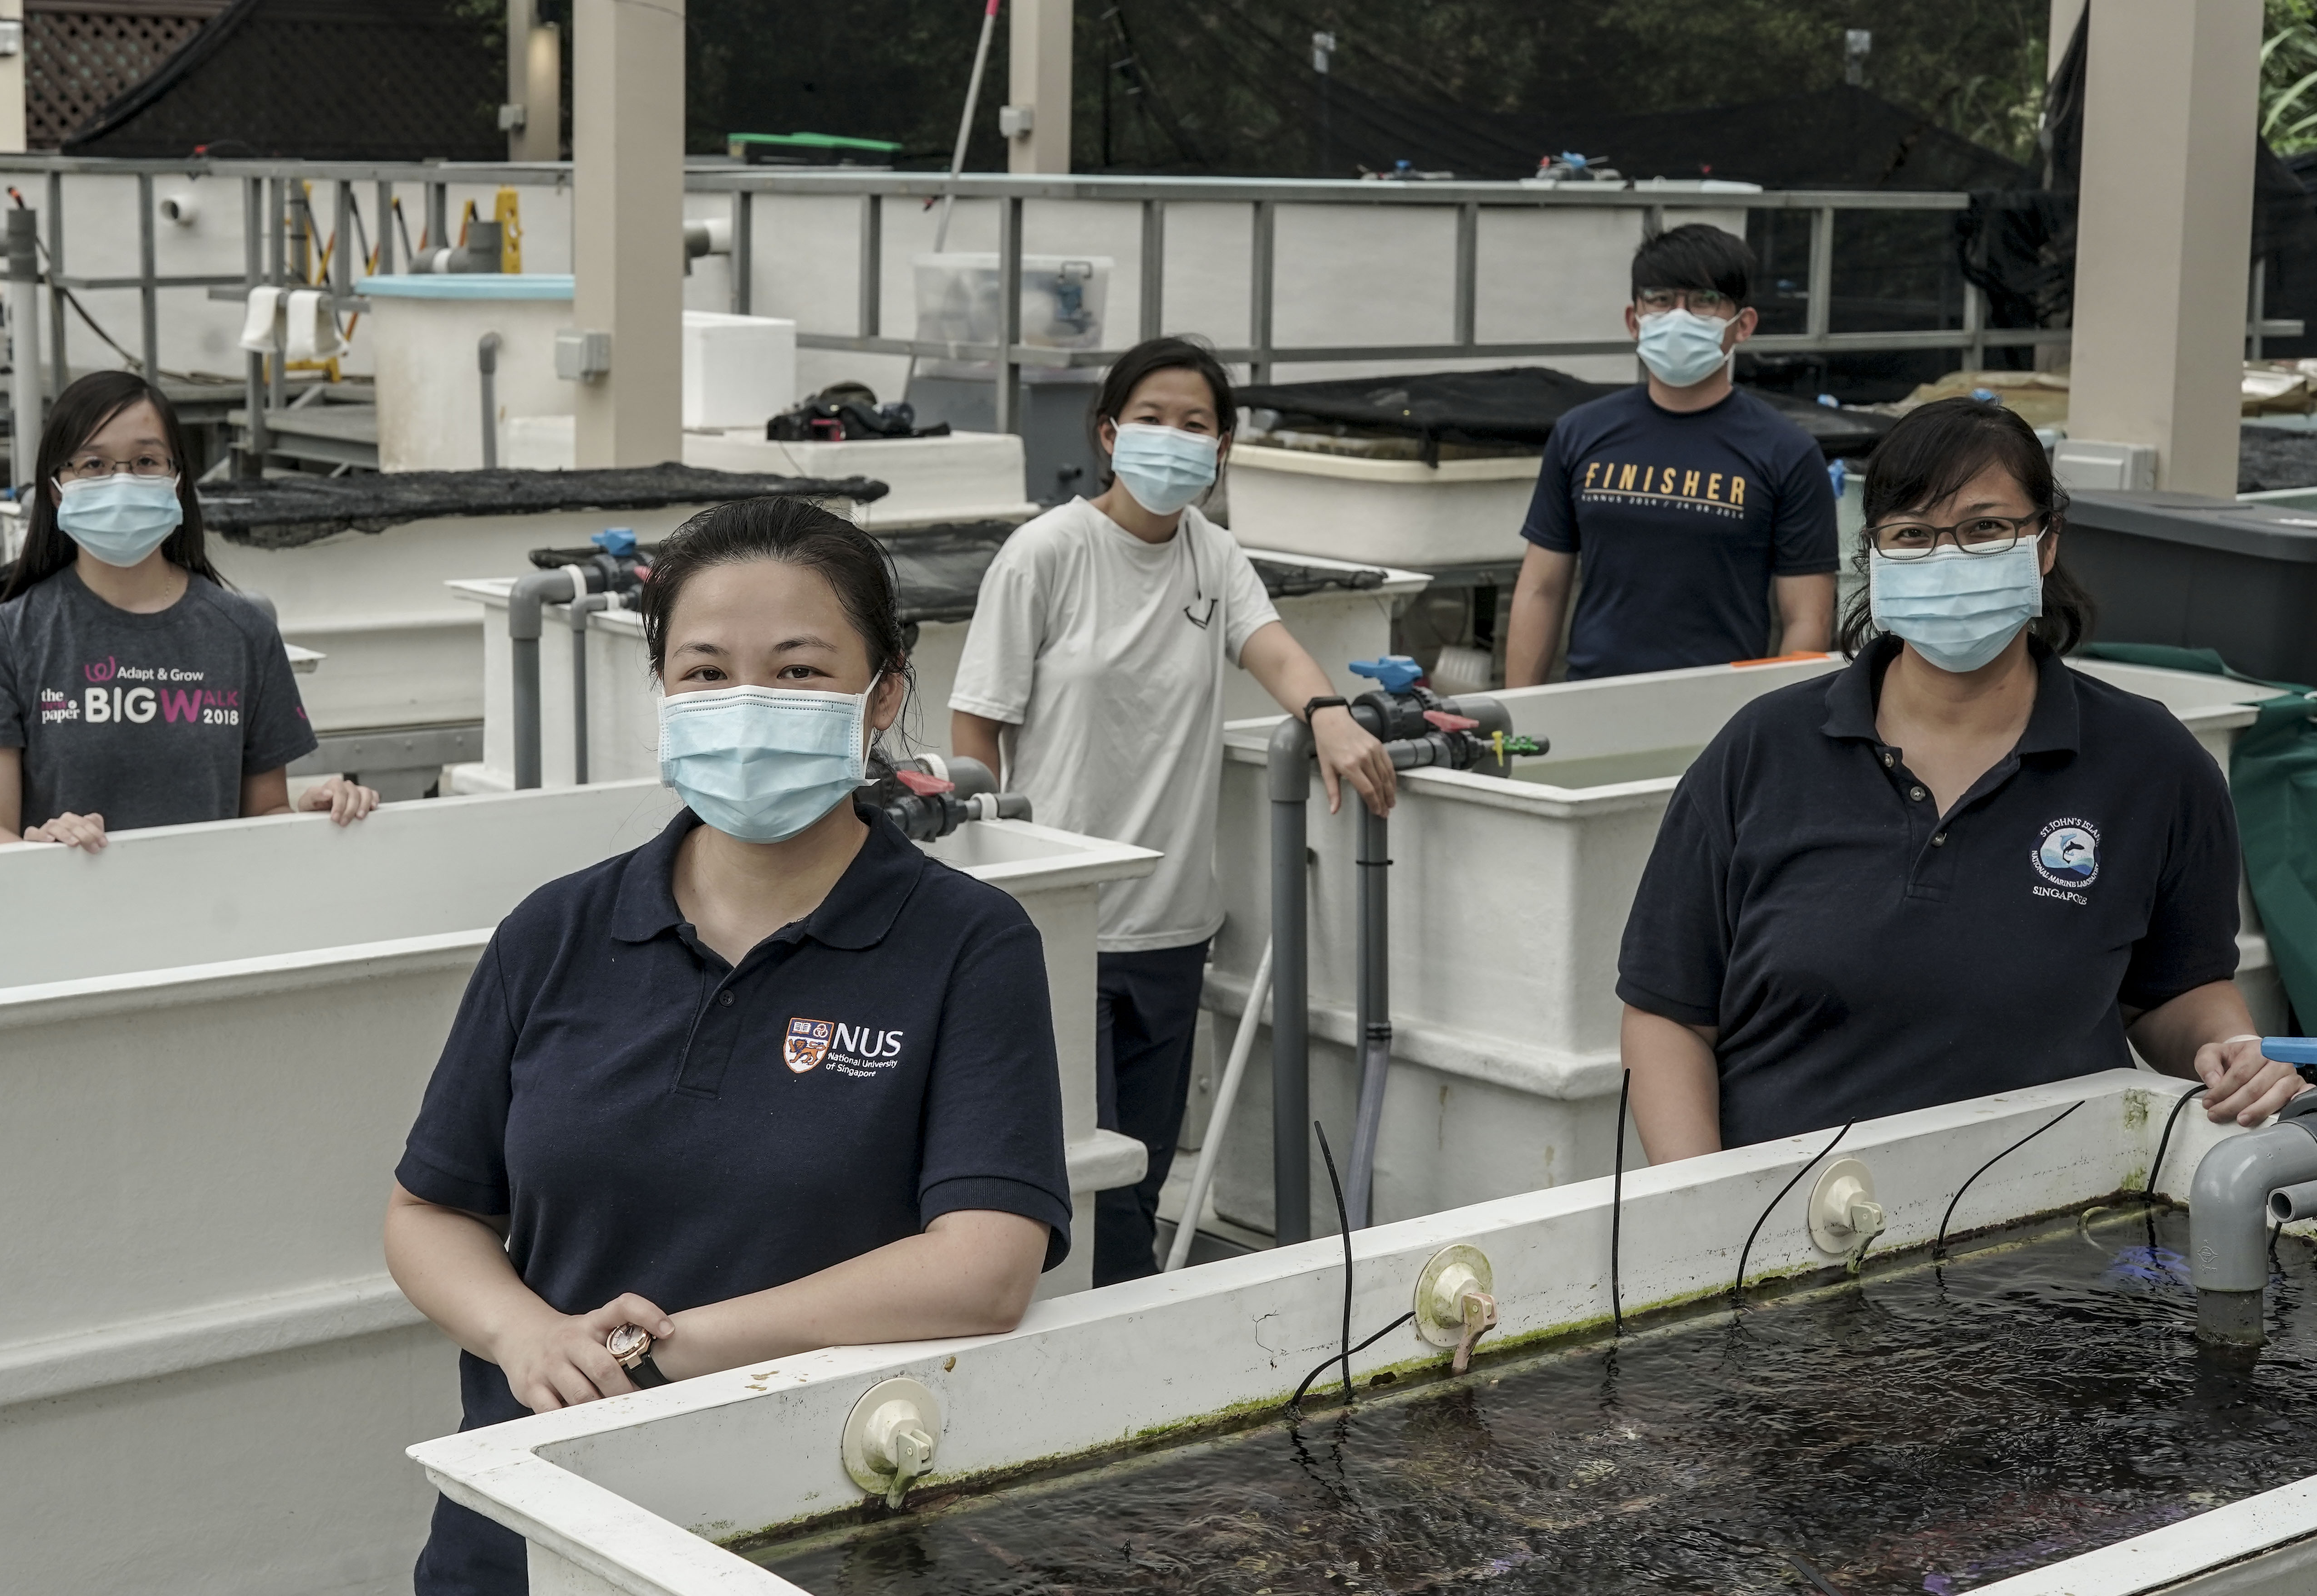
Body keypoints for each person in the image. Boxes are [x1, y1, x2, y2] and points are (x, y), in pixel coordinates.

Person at [386, 499, 1071, 1596]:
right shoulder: (555, 932)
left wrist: (676, 1347)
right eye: (705, 671)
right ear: (660, 688)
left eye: (799, 671)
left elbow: (986, 1265)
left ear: (883, 693)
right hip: (530, 1517)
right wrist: (528, 1334)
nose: (746, 704)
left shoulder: (965, 943)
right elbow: (432, 1207)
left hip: (811, 1529)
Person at [1616, 398, 2302, 1159]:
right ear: (1872, 556)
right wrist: (1701, 1217)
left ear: (2046, 542)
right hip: (1784, 1226)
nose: (1947, 560)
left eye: (1984, 529)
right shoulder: (1761, 752)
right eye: (1911, 535)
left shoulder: (2152, 765)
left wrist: (2230, 1047)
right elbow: (1667, 1011)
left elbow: (2174, 991)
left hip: (2046, 1225)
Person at [947, 335, 1395, 1285]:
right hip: (1061, 923)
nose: (1172, 439)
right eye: (1151, 419)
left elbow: (1271, 647)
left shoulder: (1213, 554)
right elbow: (976, 728)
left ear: (1221, 449)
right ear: (1109, 432)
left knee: (1140, 1176)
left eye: (1196, 425)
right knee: (1081, 1182)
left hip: (1172, 926)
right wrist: (988, 884)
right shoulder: (1046, 553)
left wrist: (1327, 715)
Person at [0, 369, 376, 850]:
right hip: (67, 916)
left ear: (177, 479)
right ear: (58, 487)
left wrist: (313, 812)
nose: (121, 481)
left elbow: (262, 814)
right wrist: (40, 846)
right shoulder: (9, 637)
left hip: (215, 913)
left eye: (146, 460)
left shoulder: (244, 634)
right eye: (93, 465)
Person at [1505, 223, 1840, 686]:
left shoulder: (1787, 452)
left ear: (1742, 324)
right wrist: (1519, 719)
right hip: (1590, 697)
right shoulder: (1579, 433)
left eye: (1703, 300)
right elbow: (1540, 590)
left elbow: (1807, 619)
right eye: (1660, 299)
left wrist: (1772, 736)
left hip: (1719, 715)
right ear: (1633, 319)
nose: (1678, 315)